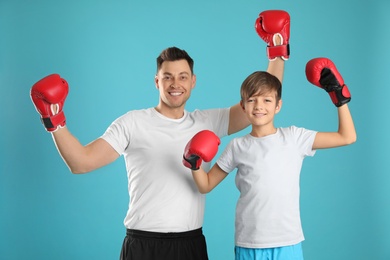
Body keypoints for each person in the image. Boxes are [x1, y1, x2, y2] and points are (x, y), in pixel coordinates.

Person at [29, 10, 288, 260]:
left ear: (193, 81)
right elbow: (81, 162)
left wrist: (277, 51)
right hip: (142, 244)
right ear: (157, 81)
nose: (176, 84)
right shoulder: (132, 123)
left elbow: (260, 104)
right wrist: (54, 119)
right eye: (168, 77)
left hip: (190, 243)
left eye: (183, 77)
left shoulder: (207, 121)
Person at [182, 57, 357, 260]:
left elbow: (347, 136)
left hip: (287, 241)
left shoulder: (294, 137)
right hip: (249, 242)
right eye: (252, 100)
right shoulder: (237, 146)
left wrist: (338, 95)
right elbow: (206, 185)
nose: (259, 106)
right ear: (243, 106)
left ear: (278, 106)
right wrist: (195, 164)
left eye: (267, 100)